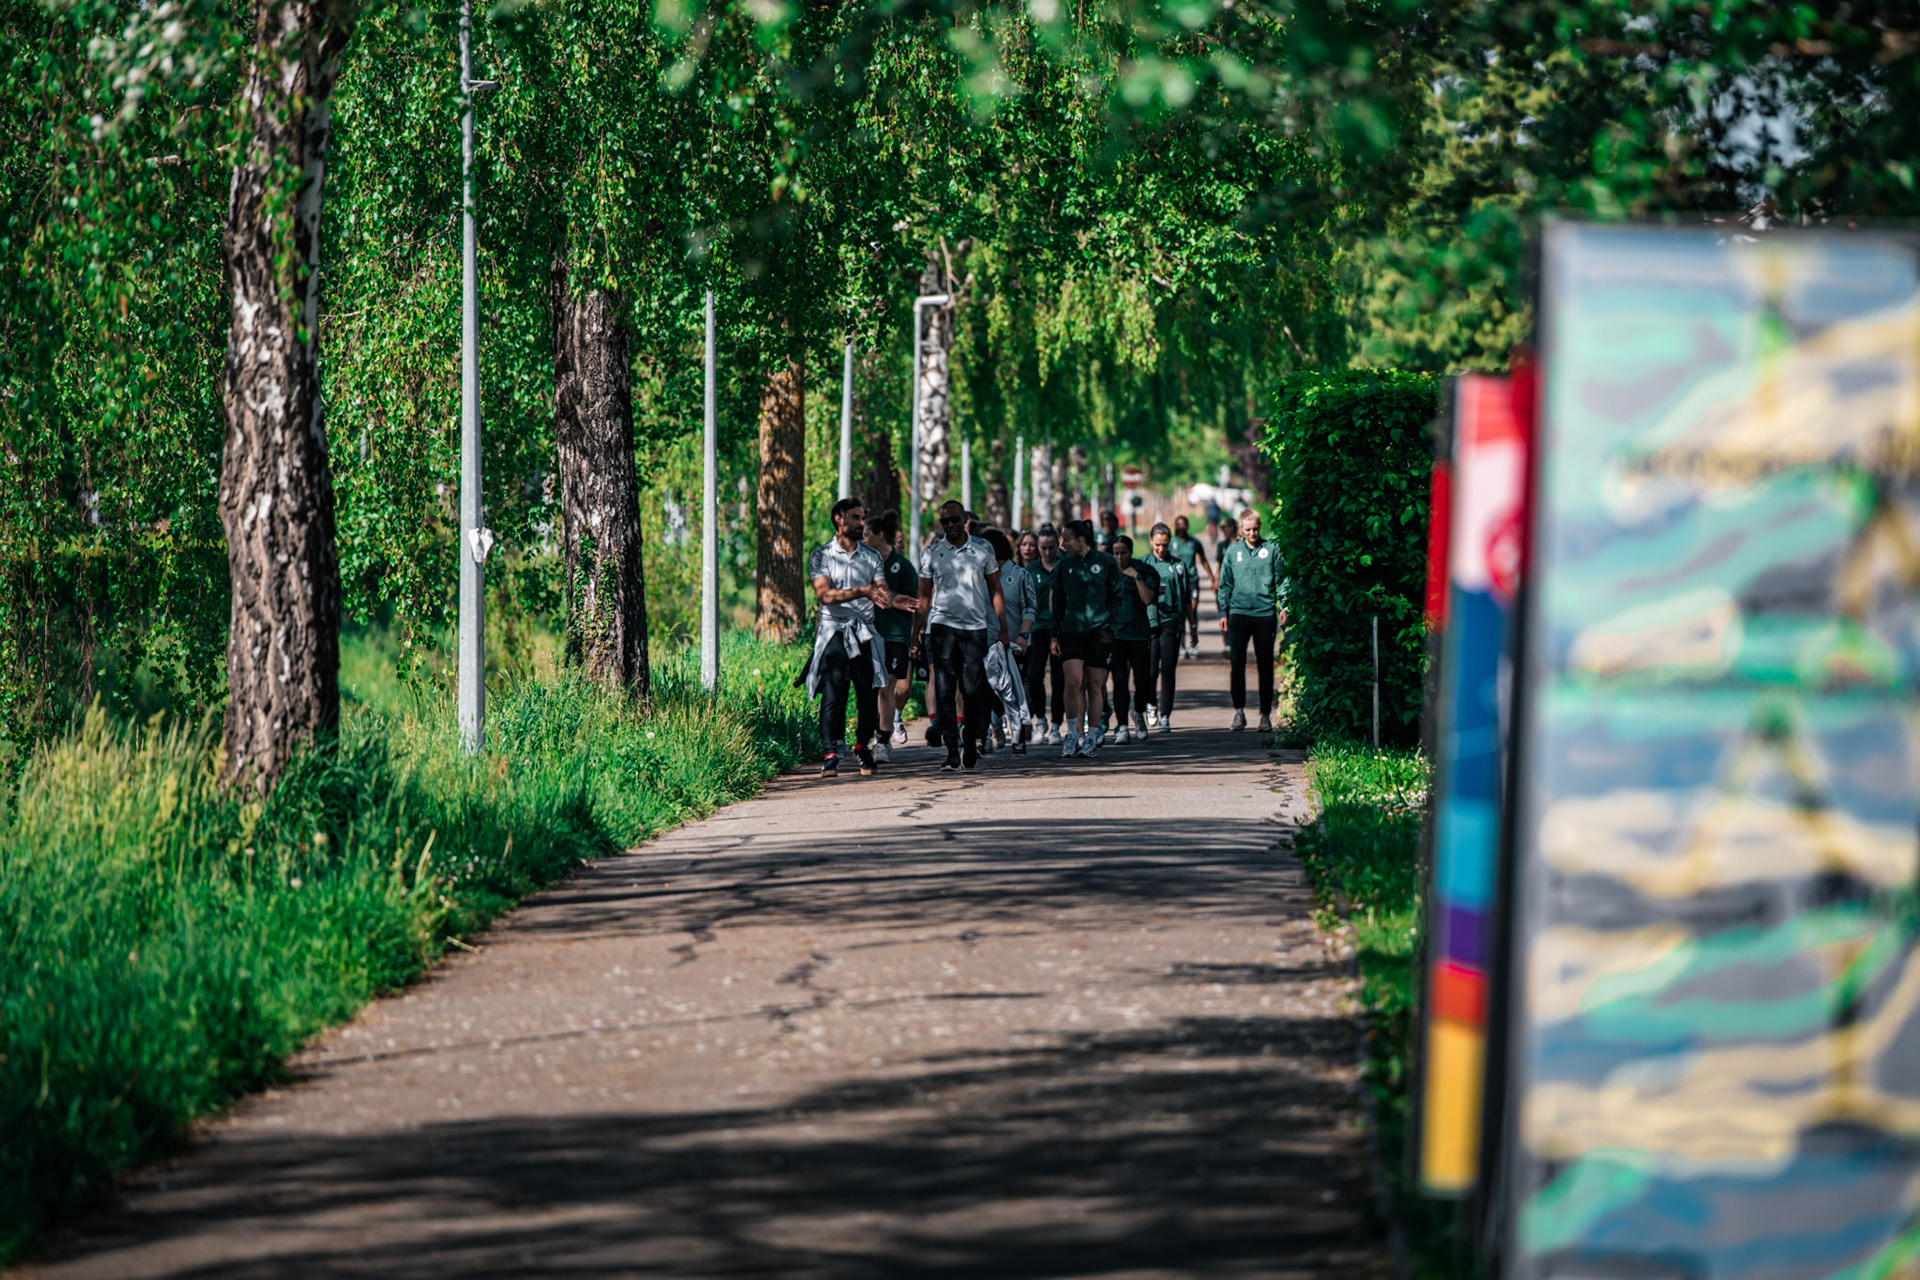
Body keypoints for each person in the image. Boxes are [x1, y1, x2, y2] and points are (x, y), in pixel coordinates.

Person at [912, 499, 1010, 772]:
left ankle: (970, 739)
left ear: (964, 519)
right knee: (944, 689)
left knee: (973, 689)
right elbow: (923, 596)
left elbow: (995, 589)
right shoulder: (932, 552)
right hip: (942, 628)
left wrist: (1003, 627)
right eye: (945, 522)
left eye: (955, 520)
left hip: (974, 628)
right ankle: (952, 750)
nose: (951, 526)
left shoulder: (982, 549)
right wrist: (915, 634)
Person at [806, 497, 892, 777]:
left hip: (864, 632)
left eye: (863, 517)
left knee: (868, 695)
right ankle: (830, 752)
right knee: (833, 694)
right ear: (838, 520)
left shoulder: (872, 557)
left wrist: (894, 600)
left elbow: (881, 590)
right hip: (833, 630)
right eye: (855, 517)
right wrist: (861, 591)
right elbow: (825, 595)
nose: (862, 523)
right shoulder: (821, 555)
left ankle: (861, 747)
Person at [1049, 518, 1125, 758]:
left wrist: (1112, 626)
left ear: (1079, 541)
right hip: (1071, 631)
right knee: (1072, 682)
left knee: (1094, 685)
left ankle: (1092, 737)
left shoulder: (1106, 562)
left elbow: (1117, 595)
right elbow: (1058, 601)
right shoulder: (1064, 566)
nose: (1062, 544)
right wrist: (1054, 633)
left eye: (1066, 539)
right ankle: (1072, 734)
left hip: (1100, 631)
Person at [1217, 508, 1288, 733]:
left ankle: (1265, 715)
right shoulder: (1233, 552)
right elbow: (1225, 583)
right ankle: (1239, 712)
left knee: (1265, 665)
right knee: (1237, 663)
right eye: (1247, 529)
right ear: (1240, 530)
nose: (1252, 533)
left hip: (1264, 614)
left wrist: (1283, 605)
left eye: (1255, 529)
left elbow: (1282, 579)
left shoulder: (1271, 549)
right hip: (1238, 614)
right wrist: (1223, 612)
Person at [864, 510, 920, 756]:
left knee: (888, 686)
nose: (863, 539)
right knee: (870, 688)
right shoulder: (862, 564)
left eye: (867, 535)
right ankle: (862, 736)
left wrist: (915, 634)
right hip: (867, 635)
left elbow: (916, 602)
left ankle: (883, 740)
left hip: (895, 636)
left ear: (879, 535)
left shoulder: (904, 566)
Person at [981, 526, 1035, 754]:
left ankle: (1018, 738)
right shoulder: (979, 577)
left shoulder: (1020, 575)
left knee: (1014, 691)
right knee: (984, 691)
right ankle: (986, 732)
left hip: (1014, 645)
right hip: (986, 644)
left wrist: (1023, 636)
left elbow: (1030, 607)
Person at [1107, 535, 1159, 744]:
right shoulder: (1107, 571)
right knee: (1119, 682)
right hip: (1116, 635)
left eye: (1123, 553)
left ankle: (1138, 712)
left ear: (1131, 552)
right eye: (1116, 553)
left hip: (1138, 634)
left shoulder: (1144, 570)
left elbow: (1148, 599)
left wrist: (1135, 577)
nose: (1119, 558)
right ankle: (1121, 727)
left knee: (1143, 681)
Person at [1139, 522, 1189, 733]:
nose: (1161, 549)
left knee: (1168, 670)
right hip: (1148, 623)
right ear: (1151, 541)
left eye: (1165, 545)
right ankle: (1151, 704)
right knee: (1149, 670)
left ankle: (1165, 715)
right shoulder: (1142, 565)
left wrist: (1191, 626)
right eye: (1158, 544)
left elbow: (1184, 598)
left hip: (1170, 622)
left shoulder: (1177, 566)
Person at [1021, 526, 1066, 745]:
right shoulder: (1030, 572)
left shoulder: (1066, 565)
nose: (1047, 552)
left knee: (1060, 678)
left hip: (1062, 629)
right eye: (1043, 548)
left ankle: (1057, 724)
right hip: (1038, 630)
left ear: (1058, 545)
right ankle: (1040, 719)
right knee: (1033, 676)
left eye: (1051, 548)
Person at [1170, 514, 1217, 659]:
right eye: (1179, 524)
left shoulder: (1194, 542)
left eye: (1184, 524)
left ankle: (1194, 644)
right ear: (1175, 526)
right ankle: (1181, 646)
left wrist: (1212, 578)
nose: (1181, 527)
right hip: (1176, 581)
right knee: (1180, 613)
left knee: (1192, 609)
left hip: (1191, 580)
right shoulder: (1171, 542)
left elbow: (1203, 560)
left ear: (1187, 526)